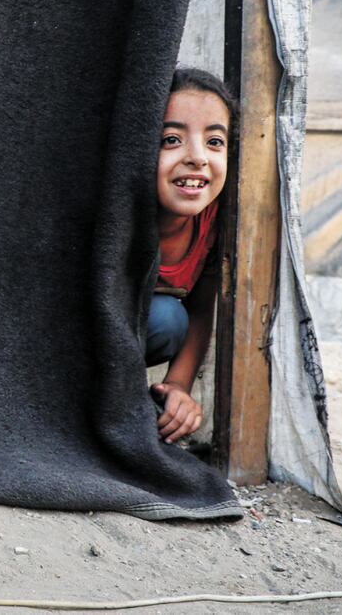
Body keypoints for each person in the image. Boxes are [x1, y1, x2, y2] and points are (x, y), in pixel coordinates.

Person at [146, 68, 235, 445]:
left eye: (214, 141)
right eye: (171, 139)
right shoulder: (119, 216)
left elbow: (200, 310)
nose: (197, 158)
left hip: (146, 329)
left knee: (168, 318)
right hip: (78, 335)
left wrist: (177, 387)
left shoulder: (215, 224)